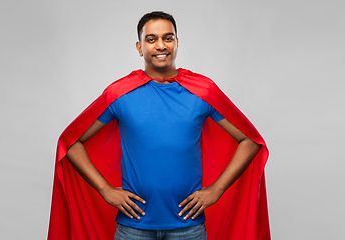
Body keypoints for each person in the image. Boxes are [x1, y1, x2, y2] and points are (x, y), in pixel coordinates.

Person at [48, 11, 270, 240]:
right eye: (151, 39)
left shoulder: (204, 91)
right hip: (133, 227)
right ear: (139, 47)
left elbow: (250, 140)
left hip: (189, 227)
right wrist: (105, 189)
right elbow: (71, 142)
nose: (161, 46)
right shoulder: (119, 93)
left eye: (168, 38)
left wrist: (217, 189)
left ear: (177, 43)